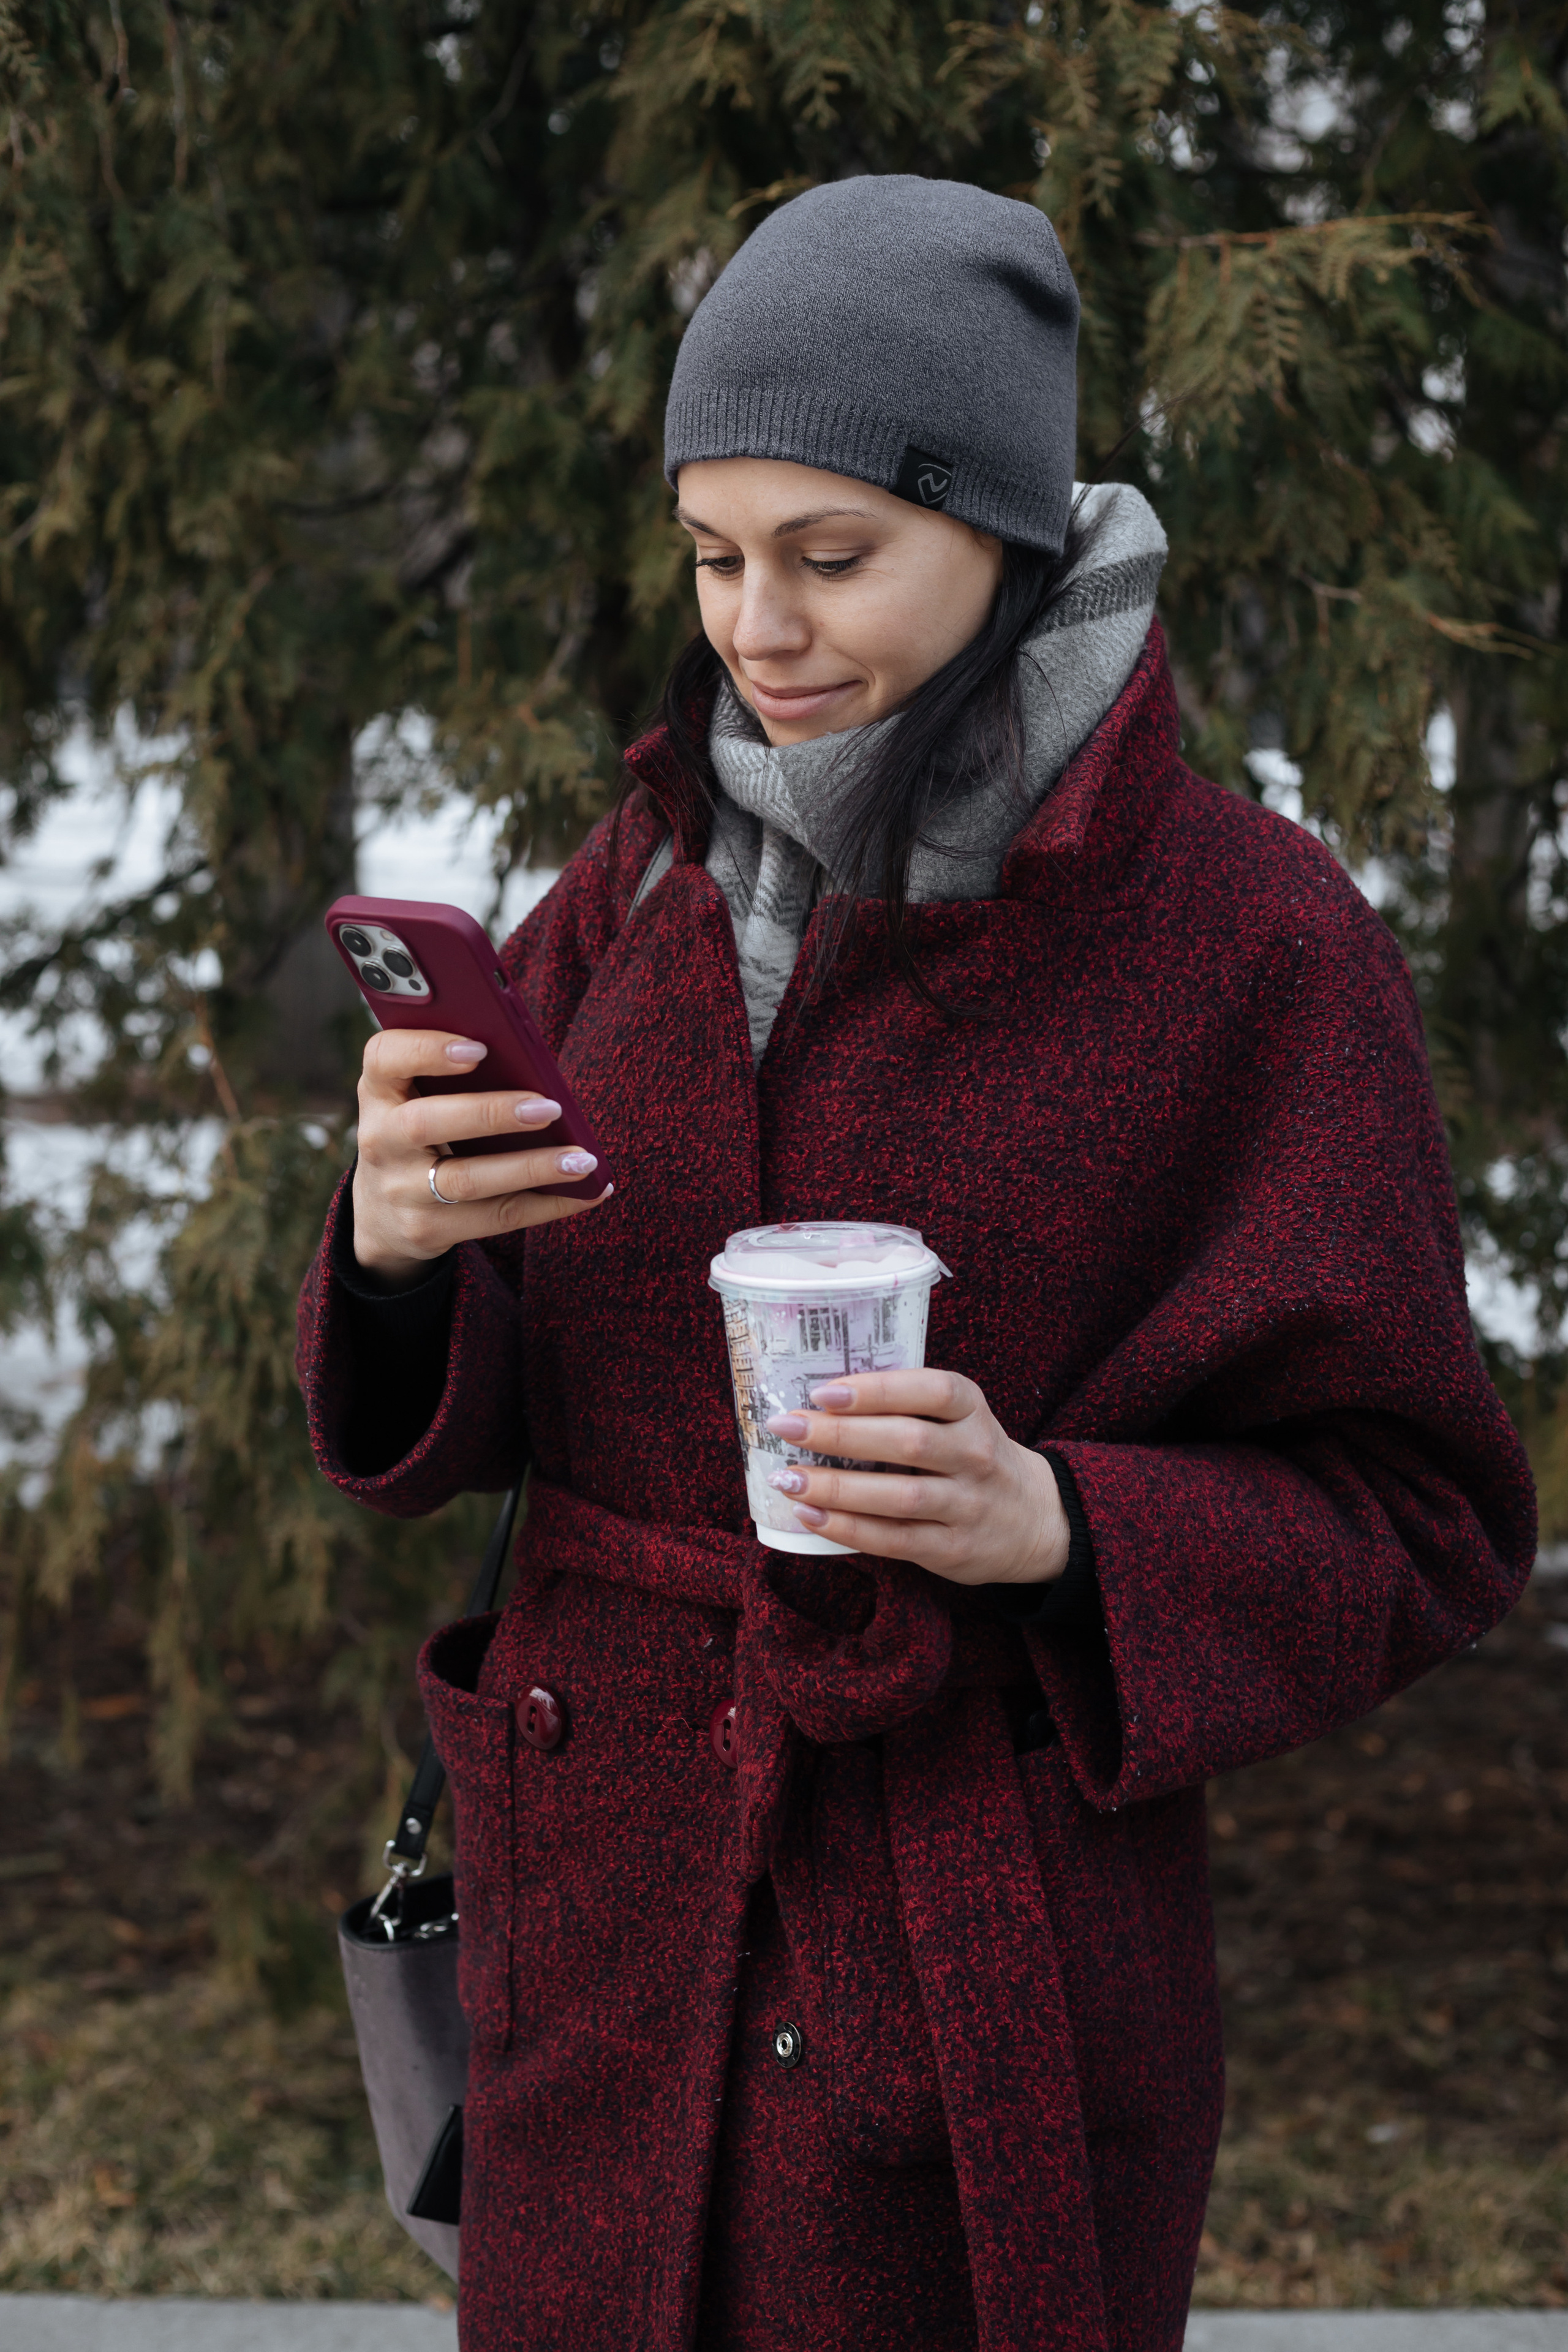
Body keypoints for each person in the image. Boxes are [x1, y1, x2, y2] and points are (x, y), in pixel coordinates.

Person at [296, 177, 1536, 2352]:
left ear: (1008, 530)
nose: (752, 630)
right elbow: (489, 1413)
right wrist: (401, 1255)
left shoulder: (1251, 946)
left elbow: (1424, 1521)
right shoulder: (649, 879)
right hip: (604, 1948)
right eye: (710, 556)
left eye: (830, 555)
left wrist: (1059, 1523)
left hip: (980, 1986)